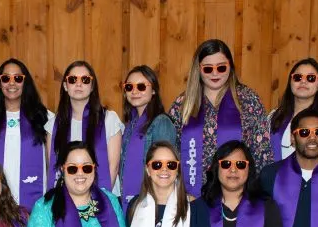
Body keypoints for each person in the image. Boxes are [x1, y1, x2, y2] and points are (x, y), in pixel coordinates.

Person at [168, 39, 272, 197]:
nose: (215, 73)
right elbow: (170, 153)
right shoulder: (182, 105)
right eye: (208, 69)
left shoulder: (247, 100)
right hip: (192, 199)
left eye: (221, 67)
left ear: (230, 67)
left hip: (238, 198)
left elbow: (262, 152)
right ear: (198, 69)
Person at [0, 58, 51, 211]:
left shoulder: (44, 118)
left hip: (34, 204)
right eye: (6, 78)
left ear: (25, 82)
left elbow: (51, 164)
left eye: (18, 78)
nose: (11, 83)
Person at [49, 61, 124, 194]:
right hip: (65, 200)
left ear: (92, 86)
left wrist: (96, 201)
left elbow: (113, 167)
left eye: (85, 80)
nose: (79, 84)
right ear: (65, 86)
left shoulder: (109, 119)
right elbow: (52, 167)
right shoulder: (53, 124)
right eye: (72, 80)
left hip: (104, 198)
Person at [269, 58, 318, 165]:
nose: (303, 81)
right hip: (279, 180)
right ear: (290, 83)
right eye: (298, 77)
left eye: (311, 78)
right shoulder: (274, 115)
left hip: (317, 181)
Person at [119, 65, 178, 204]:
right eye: (129, 87)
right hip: (128, 201)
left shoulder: (162, 123)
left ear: (153, 90)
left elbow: (166, 169)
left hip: (152, 201)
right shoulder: (129, 125)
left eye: (141, 86)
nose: (134, 91)